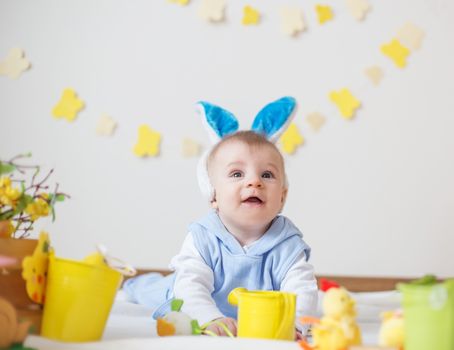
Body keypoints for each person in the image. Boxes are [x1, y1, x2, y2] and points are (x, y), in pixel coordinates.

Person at [124, 97, 318, 338]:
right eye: (237, 173)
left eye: (267, 174)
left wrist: (295, 324)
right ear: (213, 194)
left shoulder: (287, 243)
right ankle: (134, 283)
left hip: (254, 314)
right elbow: (191, 286)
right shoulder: (204, 236)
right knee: (159, 289)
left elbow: (302, 289)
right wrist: (210, 318)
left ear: (283, 196)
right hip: (190, 295)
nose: (253, 181)